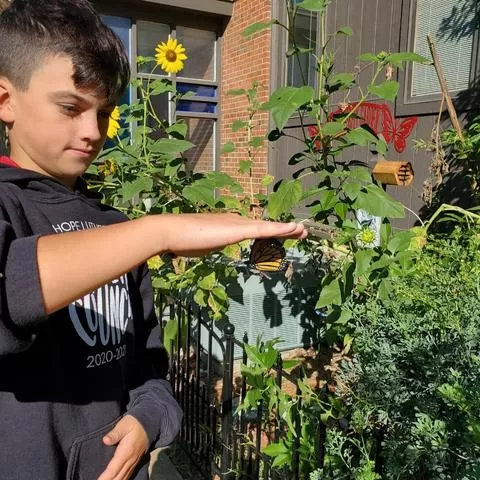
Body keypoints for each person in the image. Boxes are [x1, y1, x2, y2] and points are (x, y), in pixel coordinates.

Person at [0, 1, 307, 479]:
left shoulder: (114, 226)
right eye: (70, 107)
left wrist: (148, 419)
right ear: (6, 100)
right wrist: (159, 230)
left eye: (104, 113)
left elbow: (149, 369)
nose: (93, 132)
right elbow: (11, 289)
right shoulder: (13, 208)